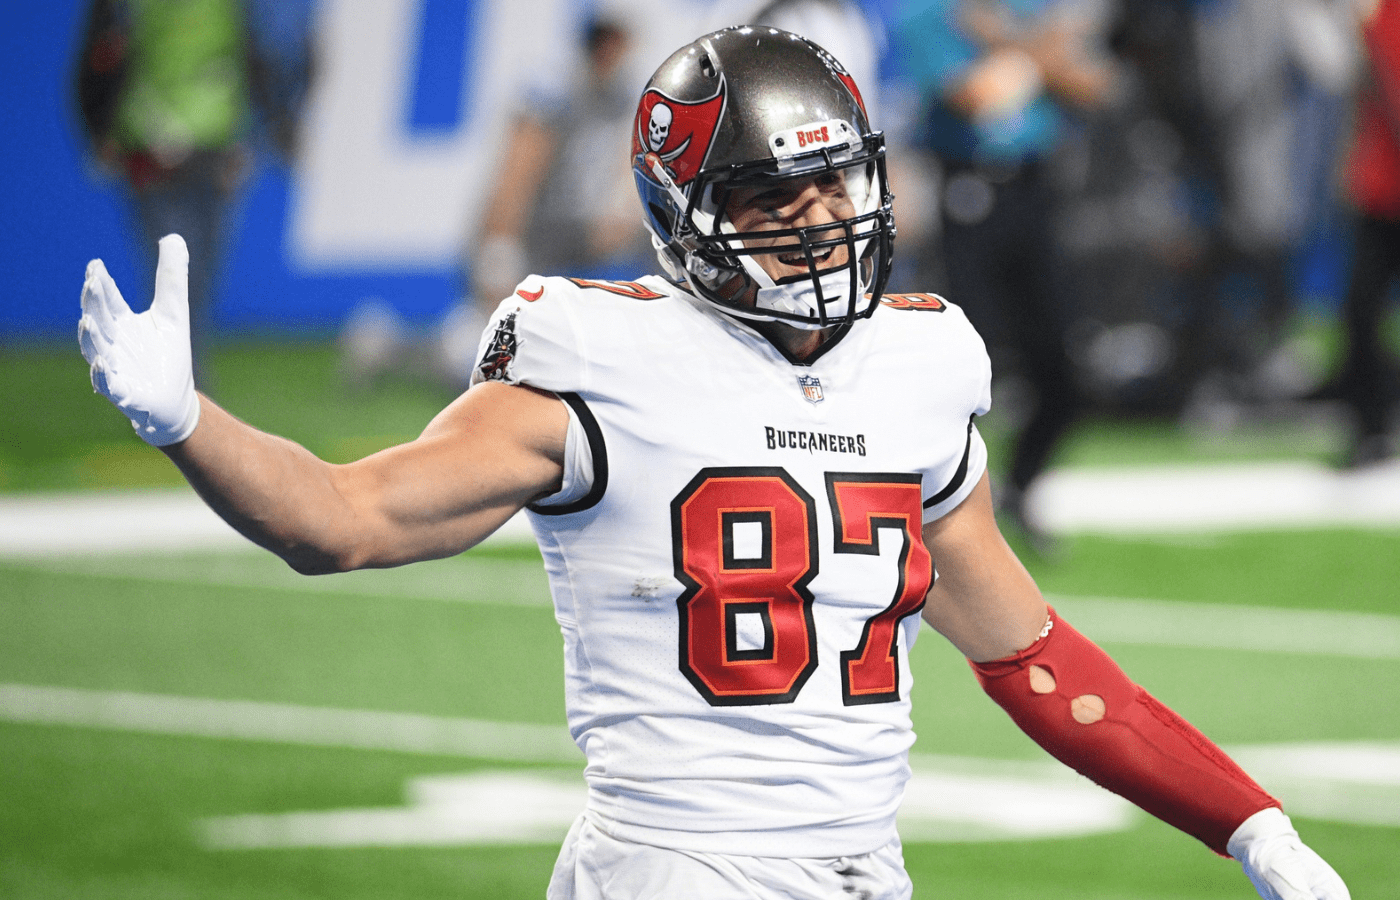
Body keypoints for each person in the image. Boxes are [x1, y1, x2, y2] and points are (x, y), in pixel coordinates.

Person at [78, 26, 1349, 900]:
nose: (818, 225)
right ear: (684, 215)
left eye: (834, 186)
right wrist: (187, 420)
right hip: (681, 868)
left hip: (860, 864)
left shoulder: (915, 370)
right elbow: (341, 521)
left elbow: (1033, 659)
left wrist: (1245, 820)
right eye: (767, 200)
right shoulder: (599, 357)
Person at [883, 0, 1118, 548]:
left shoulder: (1019, 14)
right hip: (969, 195)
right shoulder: (929, 17)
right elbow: (975, 99)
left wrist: (1010, 42)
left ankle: (1023, 484)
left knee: (1063, 360)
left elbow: (1094, 87)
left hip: (1036, 193)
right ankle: (942, 508)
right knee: (967, 361)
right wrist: (1044, 52)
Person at [74, 0, 316, 385]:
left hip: (210, 150)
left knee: (193, 279)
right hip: (159, 153)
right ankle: (185, 388)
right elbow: (99, 53)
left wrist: (266, 131)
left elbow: (266, 51)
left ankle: (183, 386)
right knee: (181, 279)